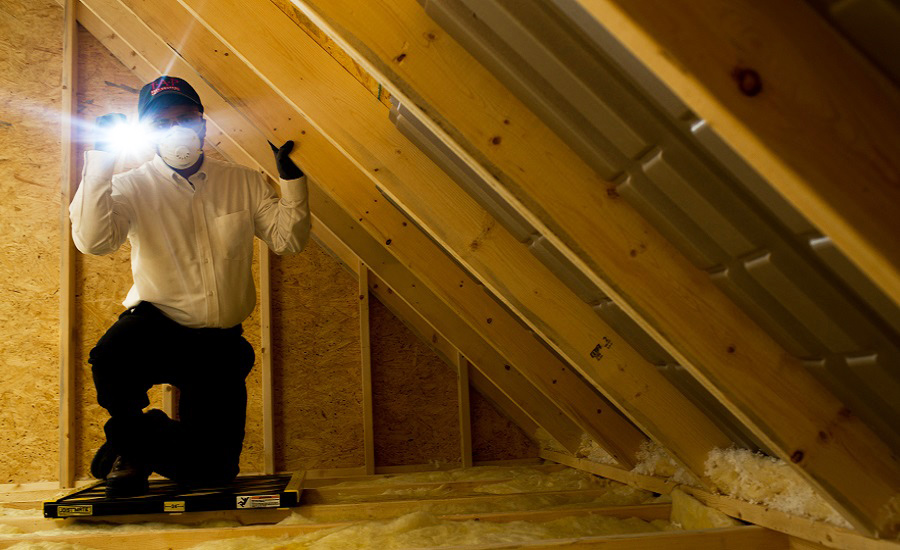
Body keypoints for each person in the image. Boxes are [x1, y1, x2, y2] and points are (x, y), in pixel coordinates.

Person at [70, 75, 310, 498]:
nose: (176, 128)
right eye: (162, 123)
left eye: (185, 117)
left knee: (211, 472)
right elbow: (93, 241)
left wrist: (292, 183)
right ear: (147, 133)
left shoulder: (244, 182)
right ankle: (133, 440)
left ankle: (131, 445)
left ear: (202, 123)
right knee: (110, 358)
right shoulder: (129, 186)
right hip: (157, 326)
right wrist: (101, 159)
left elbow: (288, 240)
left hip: (218, 346)